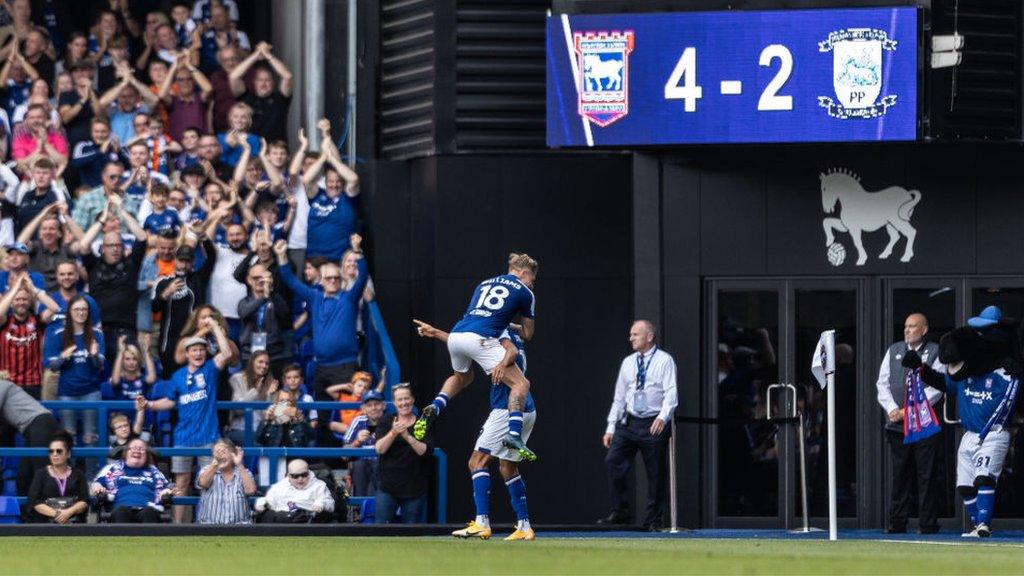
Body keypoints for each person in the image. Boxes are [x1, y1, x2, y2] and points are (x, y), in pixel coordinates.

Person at [905, 306, 1021, 538]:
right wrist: (921, 369)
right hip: (969, 434)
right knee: (965, 486)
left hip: (994, 432)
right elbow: (943, 382)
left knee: (984, 477)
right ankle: (979, 525)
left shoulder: (1004, 373)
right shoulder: (966, 374)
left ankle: (984, 525)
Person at [415, 321, 537, 540]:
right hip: (526, 407)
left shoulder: (498, 330)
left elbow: (508, 349)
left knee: (476, 462)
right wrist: (437, 333)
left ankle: (482, 522)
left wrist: (503, 364)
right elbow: (473, 343)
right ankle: (524, 526)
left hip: (505, 408)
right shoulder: (509, 330)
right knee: (508, 468)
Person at [413, 253, 538, 462]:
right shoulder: (525, 292)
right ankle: (514, 435)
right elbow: (528, 334)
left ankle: (435, 405)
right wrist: (513, 326)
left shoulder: (484, 283)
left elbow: (478, 322)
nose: (532, 285)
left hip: (456, 335)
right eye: (532, 280)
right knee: (521, 384)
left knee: (462, 377)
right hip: (481, 338)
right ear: (524, 273)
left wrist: (435, 332)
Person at [136, 318, 233, 524]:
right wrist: (150, 405)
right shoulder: (178, 376)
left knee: (209, 483)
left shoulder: (210, 370)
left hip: (208, 437)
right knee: (181, 482)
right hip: (183, 438)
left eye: (201, 350)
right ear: (187, 354)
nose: (198, 353)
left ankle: (210, 522)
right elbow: (170, 401)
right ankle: (177, 527)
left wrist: (215, 327)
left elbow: (227, 354)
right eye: (194, 350)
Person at [599, 320, 678, 531]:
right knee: (613, 461)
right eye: (631, 334)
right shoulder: (628, 362)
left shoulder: (664, 360)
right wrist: (610, 427)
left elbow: (671, 393)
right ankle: (620, 512)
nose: (631, 338)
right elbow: (619, 396)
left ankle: (654, 520)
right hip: (630, 421)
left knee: (656, 474)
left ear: (649, 337)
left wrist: (663, 417)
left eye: (635, 334)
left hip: (653, 421)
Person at [274, 237, 367, 415]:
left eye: (336, 278)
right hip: (321, 367)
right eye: (328, 278)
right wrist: (281, 256)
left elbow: (362, 277)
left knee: (347, 415)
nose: (333, 281)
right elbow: (290, 280)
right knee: (323, 417)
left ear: (341, 279)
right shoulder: (314, 297)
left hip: (345, 366)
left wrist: (357, 251)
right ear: (321, 281)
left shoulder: (349, 297)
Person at [876, 313, 945, 534]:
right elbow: (882, 383)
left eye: (913, 326)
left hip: (924, 425)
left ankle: (927, 524)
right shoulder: (894, 350)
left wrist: (911, 410)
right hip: (897, 424)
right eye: (906, 326)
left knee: (926, 474)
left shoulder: (935, 351)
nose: (907, 330)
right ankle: (897, 522)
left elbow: (936, 387)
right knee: (900, 474)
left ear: (924, 329)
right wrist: (892, 409)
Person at [44, 294, 106, 449]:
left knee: (91, 437)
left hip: (91, 391)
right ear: (69, 312)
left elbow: (99, 365)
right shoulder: (58, 334)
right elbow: (51, 365)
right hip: (67, 392)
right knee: (68, 437)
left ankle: (92, 473)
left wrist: (93, 355)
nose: (81, 313)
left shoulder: (97, 334)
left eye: (84, 309)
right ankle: (70, 473)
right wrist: (63, 357)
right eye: (77, 309)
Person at [375, 385, 431, 523]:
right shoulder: (386, 421)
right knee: (379, 531)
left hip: (414, 488)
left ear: (412, 400)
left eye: (407, 398)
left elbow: (424, 451)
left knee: (411, 534)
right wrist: (393, 433)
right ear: (394, 402)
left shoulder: (421, 422)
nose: (404, 403)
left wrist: (407, 436)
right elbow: (380, 449)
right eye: (399, 399)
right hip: (387, 487)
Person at [0, 379, 63, 495]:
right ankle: (27, 513)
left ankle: (57, 511)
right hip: (34, 429)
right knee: (24, 478)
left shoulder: (2, 385)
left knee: (43, 475)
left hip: (41, 425)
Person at [0, 274, 57, 398]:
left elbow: (55, 308)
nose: (21, 302)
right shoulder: (4, 322)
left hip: (33, 384)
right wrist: (15, 288)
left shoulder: (37, 321)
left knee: (31, 418)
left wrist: (32, 288)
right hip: (7, 383)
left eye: (25, 299)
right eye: (17, 299)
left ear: (30, 301)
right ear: (11, 302)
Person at [91, 437, 172, 523]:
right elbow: (96, 483)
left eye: (141, 449)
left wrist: (166, 491)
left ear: (147, 455)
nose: (137, 451)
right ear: (125, 453)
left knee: (149, 512)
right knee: (121, 511)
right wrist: (98, 487)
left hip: (148, 508)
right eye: (133, 448)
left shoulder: (155, 472)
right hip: (119, 508)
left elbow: (166, 488)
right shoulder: (111, 469)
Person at [27, 432, 90, 523]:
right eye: (51, 451)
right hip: (46, 523)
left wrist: (68, 512)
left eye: (59, 451)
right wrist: (56, 514)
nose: (54, 454)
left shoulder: (78, 474)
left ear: (68, 454)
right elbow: (34, 501)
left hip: (73, 522)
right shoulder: (40, 474)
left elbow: (84, 501)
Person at [195, 438, 257, 524]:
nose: (220, 456)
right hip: (210, 528)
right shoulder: (206, 470)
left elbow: (250, 491)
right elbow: (203, 483)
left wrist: (239, 464)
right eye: (217, 453)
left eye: (223, 452)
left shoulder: (244, 472)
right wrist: (215, 464)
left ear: (233, 454)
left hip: (240, 528)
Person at [254, 458, 334, 523]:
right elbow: (269, 501)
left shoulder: (319, 485)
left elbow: (330, 504)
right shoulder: (280, 486)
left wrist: (321, 504)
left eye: (304, 475)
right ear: (289, 475)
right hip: (283, 520)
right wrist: (262, 503)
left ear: (309, 473)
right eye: (295, 476)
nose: (300, 479)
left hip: (307, 520)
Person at [227, 350, 277, 446]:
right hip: (239, 429)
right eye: (260, 362)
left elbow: (266, 416)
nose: (264, 366)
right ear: (252, 362)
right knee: (259, 447)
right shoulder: (237, 378)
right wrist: (255, 391)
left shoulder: (269, 383)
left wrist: (269, 395)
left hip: (260, 430)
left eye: (267, 363)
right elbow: (238, 409)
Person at [341, 390, 384, 497]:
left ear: (383, 406)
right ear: (363, 409)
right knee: (359, 465)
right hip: (361, 465)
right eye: (369, 405)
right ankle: (360, 507)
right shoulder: (358, 421)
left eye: (377, 404)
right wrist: (358, 441)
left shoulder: (389, 420)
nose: (373, 408)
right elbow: (344, 454)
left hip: (382, 464)